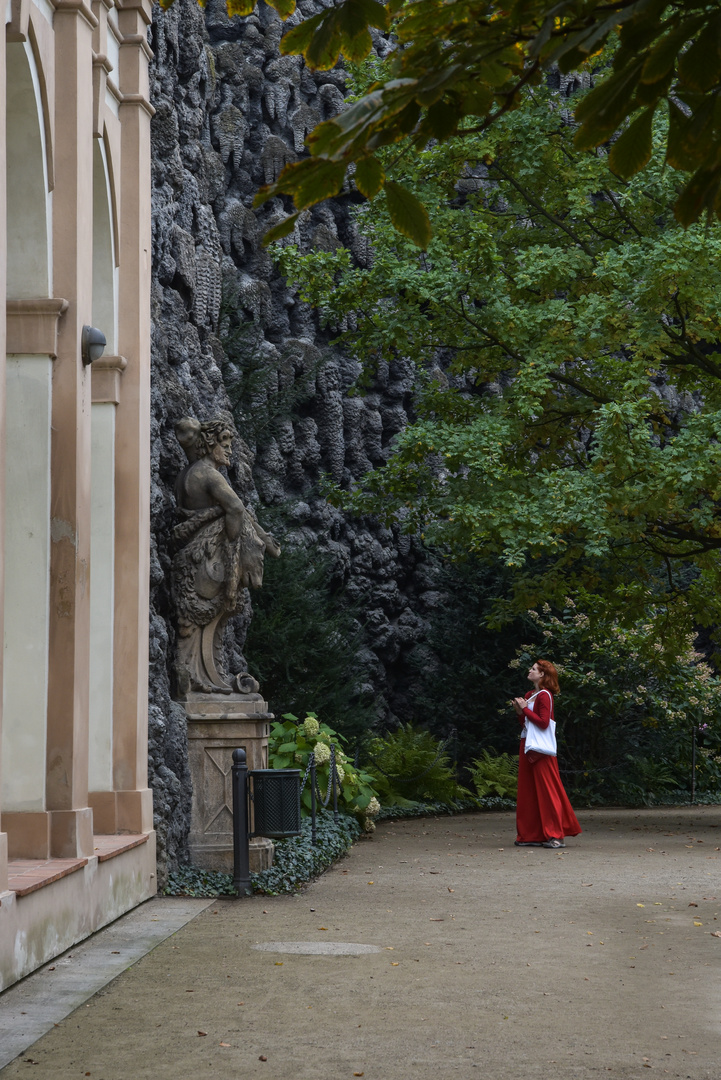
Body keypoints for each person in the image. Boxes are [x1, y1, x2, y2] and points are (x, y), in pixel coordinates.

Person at [512, 659, 581, 849]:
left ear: (542, 674)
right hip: (528, 744)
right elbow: (526, 724)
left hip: (541, 749)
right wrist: (520, 711)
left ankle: (556, 835)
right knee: (528, 790)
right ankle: (529, 835)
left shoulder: (545, 695)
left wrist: (525, 709)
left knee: (548, 790)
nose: (530, 670)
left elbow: (543, 723)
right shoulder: (530, 695)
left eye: (534, 669)